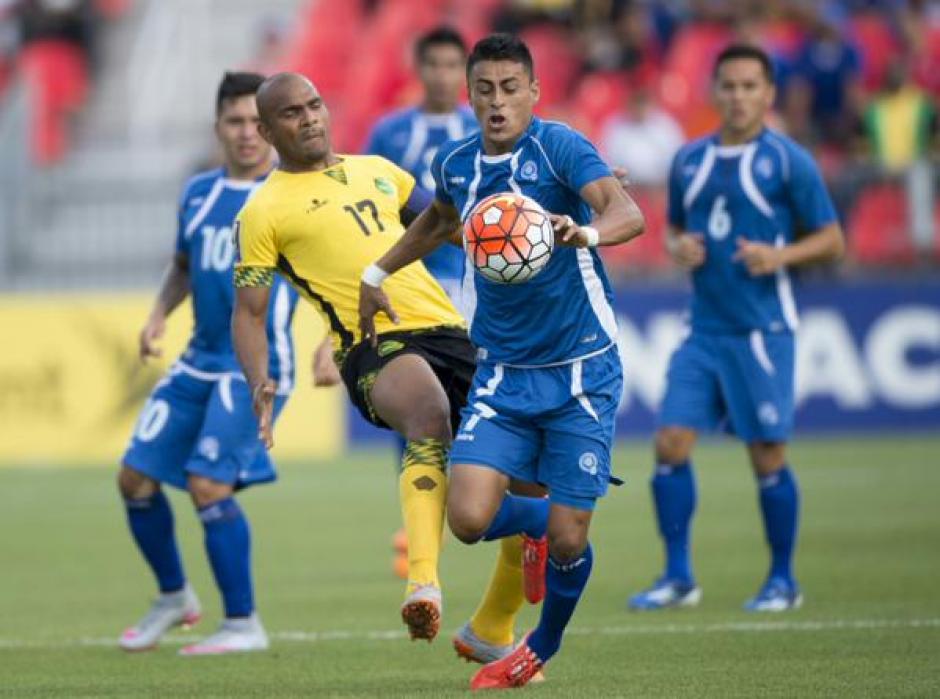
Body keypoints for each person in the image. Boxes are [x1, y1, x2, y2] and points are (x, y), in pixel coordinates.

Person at [359, 34, 645, 689]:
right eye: (484, 89)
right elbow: (437, 218)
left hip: (580, 368)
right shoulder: (457, 162)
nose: (497, 102)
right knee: (469, 519)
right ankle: (551, 523)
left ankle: (538, 645)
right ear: (469, 94)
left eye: (510, 89)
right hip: (503, 371)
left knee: (573, 541)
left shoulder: (562, 147)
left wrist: (587, 231)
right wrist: (378, 269)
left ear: (534, 92)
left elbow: (624, 210)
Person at [230, 71, 475, 644]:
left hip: (451, 332)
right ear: (266, 130)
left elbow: (453, 227)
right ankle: (423, 585)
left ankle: (495, 628)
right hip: (370, 345)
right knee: (428, 414)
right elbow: (249, 313)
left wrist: (543, 225)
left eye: (315, 104)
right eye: (292, 113)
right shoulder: (263, 212)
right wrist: (258, 380)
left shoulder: (379, 171)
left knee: (510, 489)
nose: (309, 117)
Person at [628, 44, 844, 613]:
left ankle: (782, 580)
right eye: (729, 86)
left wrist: (781, 256)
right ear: (714, 92)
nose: (739, 96)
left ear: (769, 94)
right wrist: (679, 247)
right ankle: (678, 577)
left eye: (750, 86)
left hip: (762, 331)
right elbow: (674, 230)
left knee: (766, 455)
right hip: (703, 329)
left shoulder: (789, 160)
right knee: (670, 442)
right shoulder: (689, 160)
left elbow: (832, 238)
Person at [117, 72, 299, 655]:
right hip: (198, 359)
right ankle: (175, 597)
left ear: (270, 129)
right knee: (134, 479)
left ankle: (243, 622)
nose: (247, 133)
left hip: (256, 367)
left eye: (256, 122)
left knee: (207, 483)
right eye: (235, 122)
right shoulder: (197, 193)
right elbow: (181, 265)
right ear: (219, 127)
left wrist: (333, 342)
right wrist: (157, 315)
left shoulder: (290, 194)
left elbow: (326, 275)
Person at [362, 25, 477, 584]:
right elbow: (374, 208)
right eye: (433, 65)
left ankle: (489, 507)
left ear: (464, 72)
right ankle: (418, 522)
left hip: (470, 287)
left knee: (473, 404)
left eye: (453, 65)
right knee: (413, 407)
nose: (442, 76)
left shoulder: (478, 130)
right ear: (419, 69)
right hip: (410, 289)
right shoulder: (391, 131)